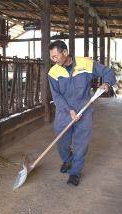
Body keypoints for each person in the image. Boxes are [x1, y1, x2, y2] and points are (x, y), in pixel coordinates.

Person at [47, 40, 116, 186]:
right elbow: (56, 96)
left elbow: (107, 72)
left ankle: (75, 172)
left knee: (81, 143)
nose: (53, 60)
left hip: (84, 108)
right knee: (62, 141)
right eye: (51, 57)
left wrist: (107, 83)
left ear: (65, 52)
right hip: (64, 112)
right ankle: (68, 159)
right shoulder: (53, 72)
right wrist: (69, 110)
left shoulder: (85, 64)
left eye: (55, 56)